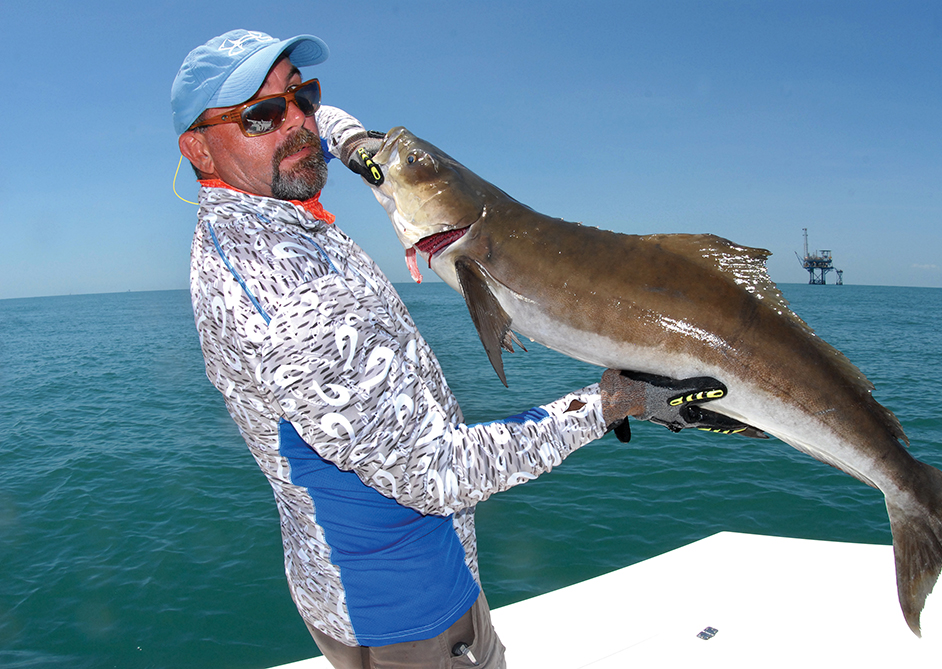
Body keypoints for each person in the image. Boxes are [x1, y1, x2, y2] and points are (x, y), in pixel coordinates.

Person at [171, 29, 750, 669]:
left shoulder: (264, 210)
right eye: (262, 114)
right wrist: (615, 401)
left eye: (302, 96)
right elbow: (438, 475)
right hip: (409, 612)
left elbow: (319, 128)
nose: (300, 124)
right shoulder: (284, 304)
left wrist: (359, 144)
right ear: (198, 147)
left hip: (361, 581)